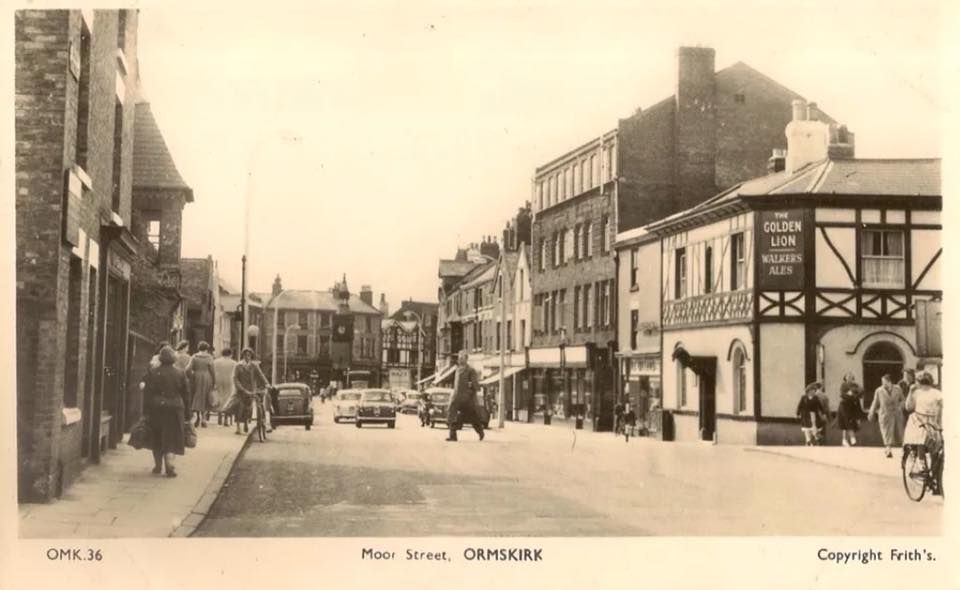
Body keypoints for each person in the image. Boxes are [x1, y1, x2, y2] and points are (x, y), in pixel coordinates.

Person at [142, 346, 190, 477]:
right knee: (172, 438)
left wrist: (145, 411)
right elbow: (186, 394)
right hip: (175, 408)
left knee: (157, 436)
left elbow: (147, 393)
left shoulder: (153, 372)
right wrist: (188, 415)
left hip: (157, 408)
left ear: (161, 358)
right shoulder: (180, 373)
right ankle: (170, 466)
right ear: (174, 359)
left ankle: (158, 466)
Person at [903, 371, 944, 494]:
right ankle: (921, 464)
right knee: (921, 439)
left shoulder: (933, 393)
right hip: (919, 421)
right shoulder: (928, 393)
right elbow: (909, 407)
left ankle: (933, 479)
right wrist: (910, 393)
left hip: (931, 421)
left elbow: (908, 407)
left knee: (935, 449)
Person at [446, 350, 484, 442]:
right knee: (452, 415)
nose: (460, 359)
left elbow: (475, 385)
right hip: (456, 397)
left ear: (466, 359)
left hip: (466, 399)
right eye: (459, 357)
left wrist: (471, 391)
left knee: (472, 417)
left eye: (462, 358)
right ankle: (453, 436)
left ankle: (480, 432)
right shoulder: (457, 369)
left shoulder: (471, 370)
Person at [868, 374, 906, 458]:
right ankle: (888, 449)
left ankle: (903, 451)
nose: (883, 384)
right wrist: (871, 412)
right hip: (885, 414)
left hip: (896, 414)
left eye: (884, 382)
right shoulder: (879, 390)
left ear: (890, 382)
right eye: (882, 382)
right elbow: (875, 402)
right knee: (886, 432)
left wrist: (900, 407)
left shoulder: (898, 388)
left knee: (899, 432)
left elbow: (903, 400)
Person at [234, 348, 271, 434]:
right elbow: (235, 378)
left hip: (251, 390)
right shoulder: (238, 365)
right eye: (245, 355)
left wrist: (266, 384)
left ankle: (246, 422)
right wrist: (240, 388)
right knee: (239, 408)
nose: (247, 357)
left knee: (248, 408)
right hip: (241, 390)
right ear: (242, 356)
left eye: (249, 355)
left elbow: (260, 375)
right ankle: (238, 427)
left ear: (251, 356)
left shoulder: (254, 366)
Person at [186, 341, 216, 428]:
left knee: (197, 396)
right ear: (206, 349)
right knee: (206, 397)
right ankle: (203, 419)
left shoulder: (194, 357)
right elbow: (212, 370)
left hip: (196, 377)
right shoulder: (209, 357)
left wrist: (191, 376)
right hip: (207, 377)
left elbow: (187, 369)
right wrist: (214, 381)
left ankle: (197, 416)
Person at [213, 348, 238, 426]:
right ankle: (226, 419)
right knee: (228, 398)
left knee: (220, 397)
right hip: (229, 381)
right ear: (230, 354)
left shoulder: (216, 362)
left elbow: (213, 372)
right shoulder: (234, 363)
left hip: (219, 380)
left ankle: (219, 417)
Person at [837, 372, 863, 446]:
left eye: (851, 377)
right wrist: (852, 395)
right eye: (848, 376)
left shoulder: (856, 385)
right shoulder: (843, 385)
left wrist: (852, 394)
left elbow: (860, 393)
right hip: (844, 406)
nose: (849, 378)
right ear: (845, 378)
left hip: (853, 406)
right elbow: (842, 395)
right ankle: (852, 438)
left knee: (847, 422)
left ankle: (844, 439)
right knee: (847, 421)